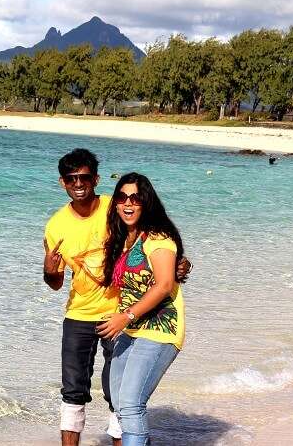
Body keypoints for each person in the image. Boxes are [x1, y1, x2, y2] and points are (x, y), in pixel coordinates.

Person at [44, 150, 190, 446]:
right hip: (79, 315)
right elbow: (56, 283)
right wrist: (48, 272)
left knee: (119, 395)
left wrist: (178, 264)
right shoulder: (55, 225)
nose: (79, 183)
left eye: (85, 177)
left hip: (121, 313)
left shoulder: (116, 206)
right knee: (72, 391)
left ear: (96, 179)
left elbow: (152, 241)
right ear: (62, 183)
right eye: (71, 179)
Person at [96, 173, 185, 446]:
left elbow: (164, 284)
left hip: (160, 329)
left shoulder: (158, 237)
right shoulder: (125, 239)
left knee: (132, 403)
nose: (128, 204)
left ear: (146, 202)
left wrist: (126, 316)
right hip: (130, 330)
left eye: (135, 198)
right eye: (122, 198)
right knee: (120, 403)